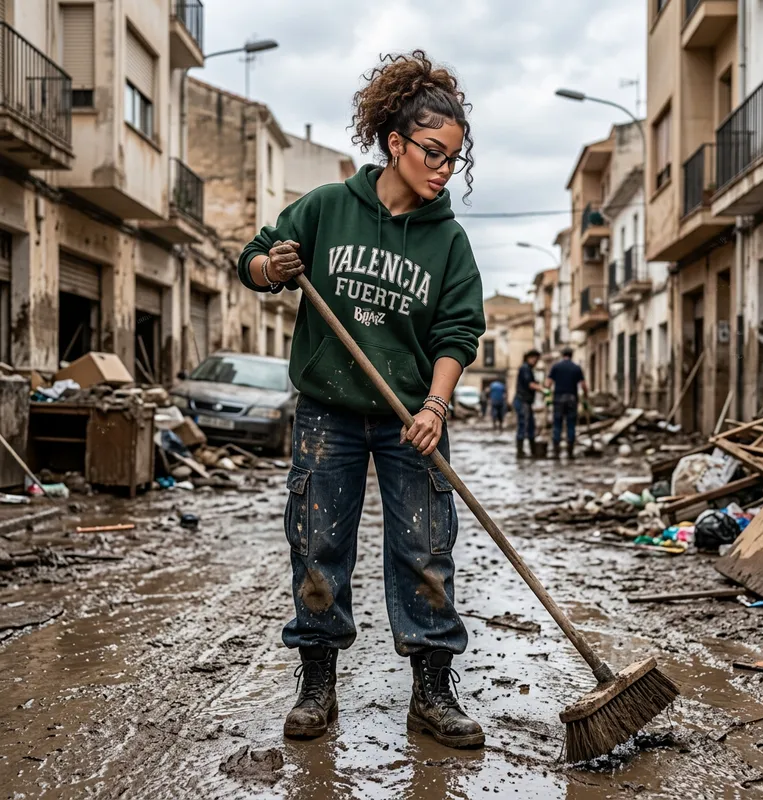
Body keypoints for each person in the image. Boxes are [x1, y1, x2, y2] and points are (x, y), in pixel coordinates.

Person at [238, 51, 486, 749]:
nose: (442, 168)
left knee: (426, 549)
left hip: (412, 418)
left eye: (453, 158)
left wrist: (435, 407)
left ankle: (432, 693)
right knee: (317, 546)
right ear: (396, 143)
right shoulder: (326, 208)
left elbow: (458, 331)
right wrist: (275, 266)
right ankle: (317, 686)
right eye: (432, 153)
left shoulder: (448, 241)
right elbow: (253, 260)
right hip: (328, 412)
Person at [546, 346, 588, 459]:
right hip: (572, 398)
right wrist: (586, 396)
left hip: (558, 398)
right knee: (571, 424)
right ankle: (570, 450)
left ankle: (556, 450)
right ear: (571, 355)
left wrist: (547, 396)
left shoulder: (556, 367)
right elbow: (583, 385)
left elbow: (548, 384)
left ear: (562, 355)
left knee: (557, 423)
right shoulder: (576, 368)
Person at [513, 350, 543, 458]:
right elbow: (530, 384)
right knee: (523, 424)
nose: (536, 361)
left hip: (527, 401)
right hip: (522, 401)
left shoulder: (528, 369)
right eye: (534, 358)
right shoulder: (525, 368)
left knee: (530, 425)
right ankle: (520, 452)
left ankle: (533, 451)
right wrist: (543, 389)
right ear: (529, 358)